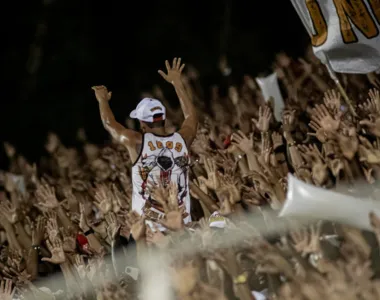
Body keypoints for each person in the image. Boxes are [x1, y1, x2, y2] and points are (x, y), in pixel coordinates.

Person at [92, 58, 198, 228]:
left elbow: (109, 124)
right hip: (182, 227)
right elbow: (191, 118)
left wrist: (102, 100)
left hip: (150, 233)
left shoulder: (137, 141)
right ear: (163, 119)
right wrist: (177, 83)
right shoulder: (182, 139)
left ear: (142, 123)